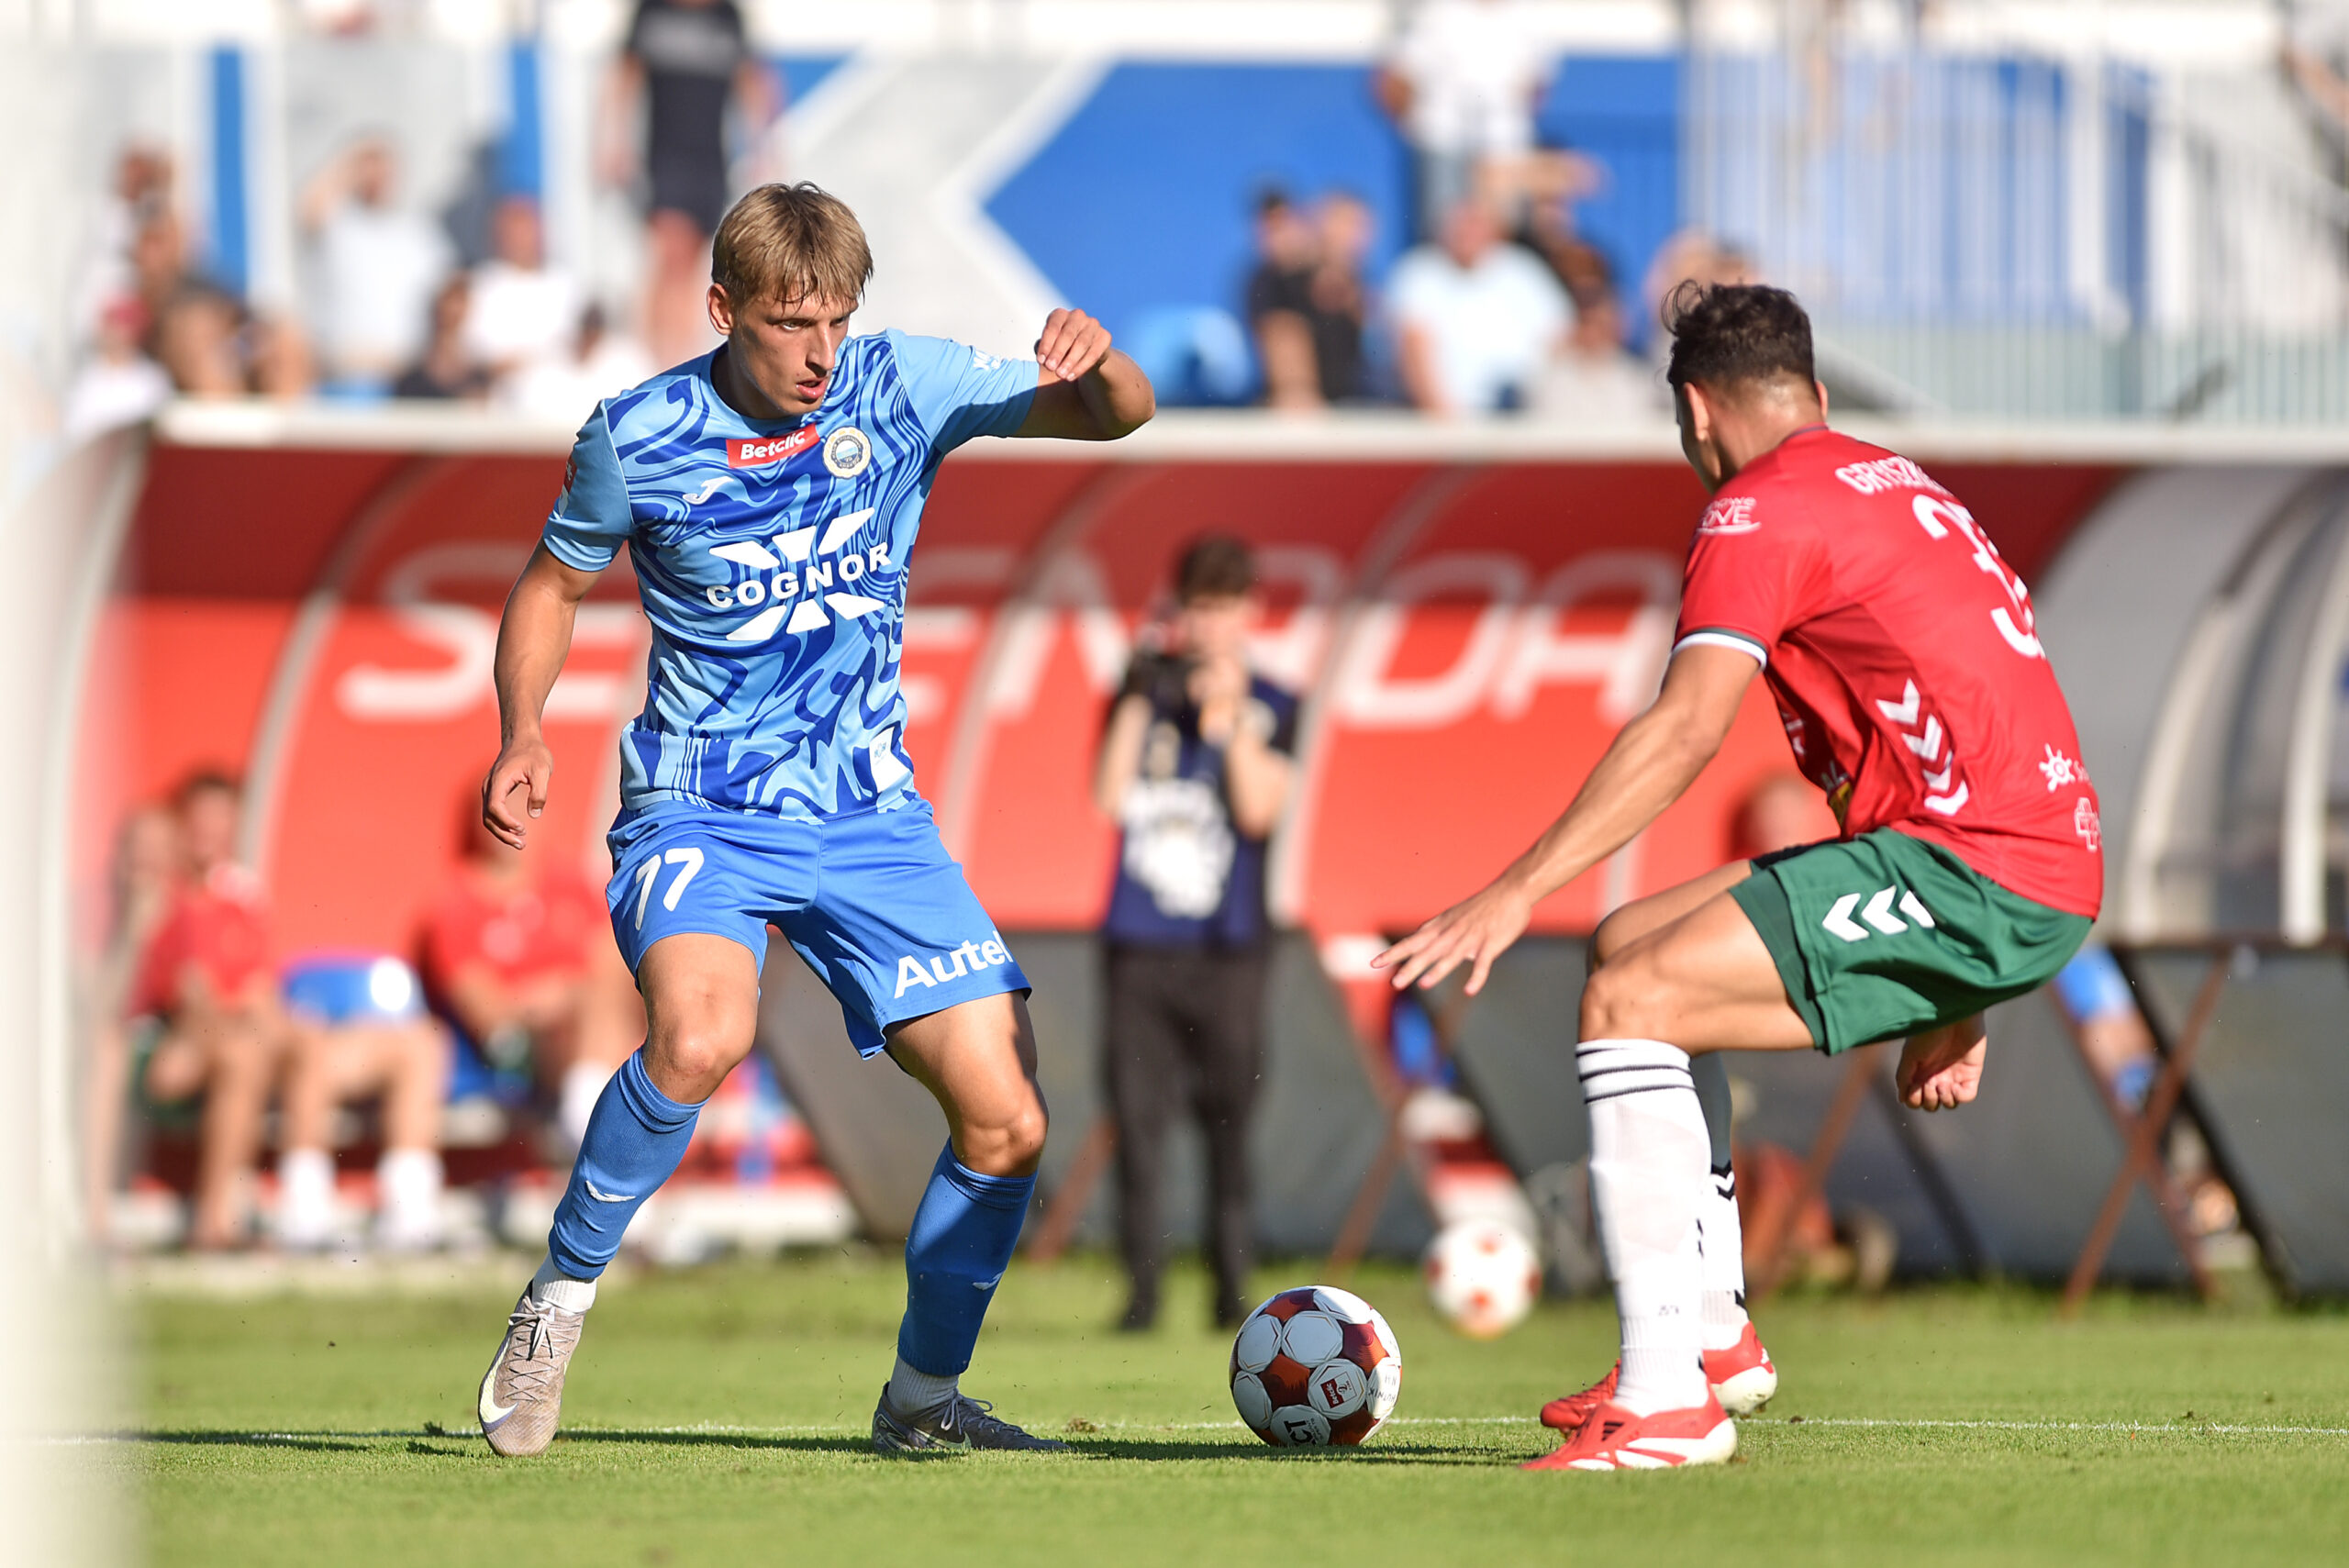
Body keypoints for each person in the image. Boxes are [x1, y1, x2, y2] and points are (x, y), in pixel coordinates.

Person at [472, 181, 1154, 1458]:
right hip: (700, 811)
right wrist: (522, 728)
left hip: (867, 820)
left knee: (1007, 1117)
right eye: (791, 323)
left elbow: (1116, 420)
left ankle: (921, 1405)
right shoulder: (640, 433)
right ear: (723, 310)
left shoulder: (900, 386)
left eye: (836, 318)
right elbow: (552, 585)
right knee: (701, 1033)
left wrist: (1101, 360)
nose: (819, 351)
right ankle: (556, 1303)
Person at [1376, 283, 2101, 1471]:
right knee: (1627, 952)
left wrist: (1513, 887)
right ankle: (1712, 1339)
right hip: (2004, 855)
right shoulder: (1897, 482)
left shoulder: (1757, 512)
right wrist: (1957, 998)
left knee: (1631, 1007)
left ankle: (1669, 1400)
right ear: (1813, 397)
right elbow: (1983, 717)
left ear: (1697, 416)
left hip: (1980, 870)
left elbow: (1685, 729)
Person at [1092, 537, 1297, 1332]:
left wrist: (1229, 720)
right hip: (1140, 941)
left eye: (1224, 606)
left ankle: (1231, 1294)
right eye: (1198, 605)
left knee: (1229, 1124)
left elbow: (1257, 810)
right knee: (1138, 1127)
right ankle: (1142, 1296)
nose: (1209, 624)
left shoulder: (1275, 701)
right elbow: (1108, 796)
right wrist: (1142, 697)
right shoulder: (1142, 693)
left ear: (1250, 612)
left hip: (1231, 946)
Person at [128, 773, 295, 1249]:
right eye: (199, 816)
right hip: (160, 1047)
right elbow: (187, 995)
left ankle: (290, 1212)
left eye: (219, 817)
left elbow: (258, 990)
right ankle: (219, 1220)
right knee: (250, 1052)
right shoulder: (167, 895)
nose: (207, 829)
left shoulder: (240, 899)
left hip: (219, 1039)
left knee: (289, 1046)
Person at [423, 806, 642, 1152]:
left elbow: (613, 965)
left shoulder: (570, 884)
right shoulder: (459, 904)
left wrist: (569, 993)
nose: (517, 824)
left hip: (596, 1028)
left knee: (625, 977)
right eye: (503, 812)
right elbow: (487, 1013)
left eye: (528, 811)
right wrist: (557, 996)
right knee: (594, 1008)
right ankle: (597, 1125)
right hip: (525, 1050)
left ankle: (594, 1115)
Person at [603, 0, 781, 367]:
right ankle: (654, 360)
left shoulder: (727, 17)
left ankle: (680, 357)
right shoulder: (652, 12)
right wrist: (613, 144)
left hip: (710, 161)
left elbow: (752, 81)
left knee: (694, 261)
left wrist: (764, 147)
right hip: (664, 157)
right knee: (670, 252)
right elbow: (625, 76)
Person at [1376, 0, 1553, 242]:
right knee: (1443, 228)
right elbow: (1399, 78)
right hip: (1442, 142)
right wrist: (1419, 127)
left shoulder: (1527, 15)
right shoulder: (1439, 13)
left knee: (1505, 228)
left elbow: (1536, 84)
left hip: (1502, 146)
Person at [299, 134, 455, 394]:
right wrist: (348, 166)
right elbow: (309, 205)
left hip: (408, 378)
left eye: (383, 168)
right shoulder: (339, 225)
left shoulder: (418, 232)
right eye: (368, 167)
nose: (376, 176)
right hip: (348, 375)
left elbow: (448, 296)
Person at [1390, 196, 1570, 416]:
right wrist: (1447, 423)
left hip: (1527, 416)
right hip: (1456, 420)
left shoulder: (1524, 271)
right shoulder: (1420, 272)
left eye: (1477, 225)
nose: (1469, 234)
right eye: (1462, 226)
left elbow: (1560, 339)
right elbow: (1413, 350)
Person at [462, 196, 581, 395]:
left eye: (528, 228)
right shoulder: (481, 285)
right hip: (505, 401)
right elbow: (475, 356)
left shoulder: (566, 284)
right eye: (513, 230)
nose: (521, 238)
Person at [391, 275, 487, 401]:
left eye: (460, 303)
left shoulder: (478, 369)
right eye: (449, 303)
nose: (453, 311)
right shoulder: (415, 372)